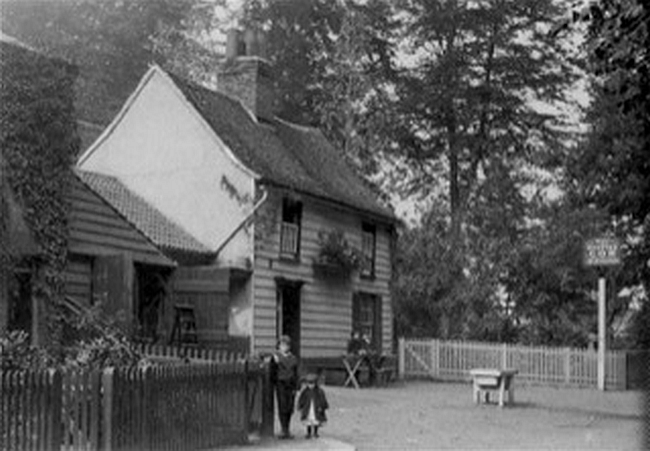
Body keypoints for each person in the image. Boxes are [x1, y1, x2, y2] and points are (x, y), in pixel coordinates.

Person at [268, 335, 299, 439]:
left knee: (290, 406)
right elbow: (272, 372)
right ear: (279, 346)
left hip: (290, 384)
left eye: (286, 345)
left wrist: (296, 386)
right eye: (282, 345)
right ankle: (283, 429)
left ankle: (287, 428)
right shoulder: (276, 357)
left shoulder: (293, 358)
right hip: (280, 383)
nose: (284, 347)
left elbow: (296, 373)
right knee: (282, 405)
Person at [298, 373, 329, 439]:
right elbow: (301, 399)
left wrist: (322, 407)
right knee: (308, 421)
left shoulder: (319, 391)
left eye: (312, 383)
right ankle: (308, 433)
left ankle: (315, 432)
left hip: (316, 408)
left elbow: (322, 400)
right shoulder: (305, 392)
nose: (310, 385)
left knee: (315, 421)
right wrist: (300, 406)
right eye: (309, 383)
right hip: (308, 409)